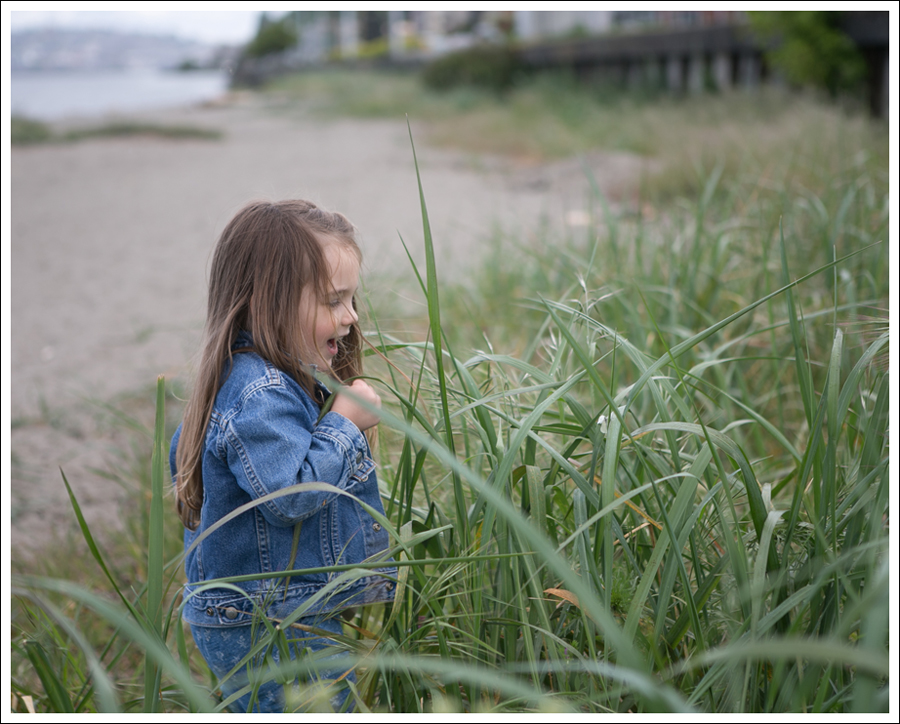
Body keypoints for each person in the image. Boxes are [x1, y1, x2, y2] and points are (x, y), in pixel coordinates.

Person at [169, 199, 396, 712]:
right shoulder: (261, 392)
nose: (351, 316)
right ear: (267, 302)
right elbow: (289, 498)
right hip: (267, 617)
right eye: (333, 301)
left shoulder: (241, 379)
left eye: (352, 298)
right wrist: (344, 424)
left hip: (268, 610)